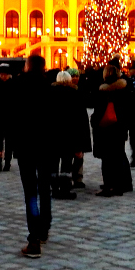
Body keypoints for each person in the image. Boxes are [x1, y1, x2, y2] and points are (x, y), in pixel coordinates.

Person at [11, 55, 54, 258]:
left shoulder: (19, 85)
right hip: (46, 144)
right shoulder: (49, 87)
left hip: (26, 145)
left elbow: (11, 115)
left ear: (27, 66)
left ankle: (34, 238)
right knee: (44, 187)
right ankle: (44, 228)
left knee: (31, 192)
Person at [47, 71, 91, 199]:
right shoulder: (75, 95)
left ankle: (54, 188)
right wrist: (82, 143)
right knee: (66, 163)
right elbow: (81, 120)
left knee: (53, 163)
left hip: (53, 135)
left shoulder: (49, 94)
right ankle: (65, 188)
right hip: (70, 136)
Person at [92, 64, 132, 197]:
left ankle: (108, 186)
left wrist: (94, 123)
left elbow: (97, 110)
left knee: (107, 159)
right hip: (120, 127)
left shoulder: (102, 90)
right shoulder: (125, 88)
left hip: (105, 128)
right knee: (118, 156)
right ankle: (120, 185)